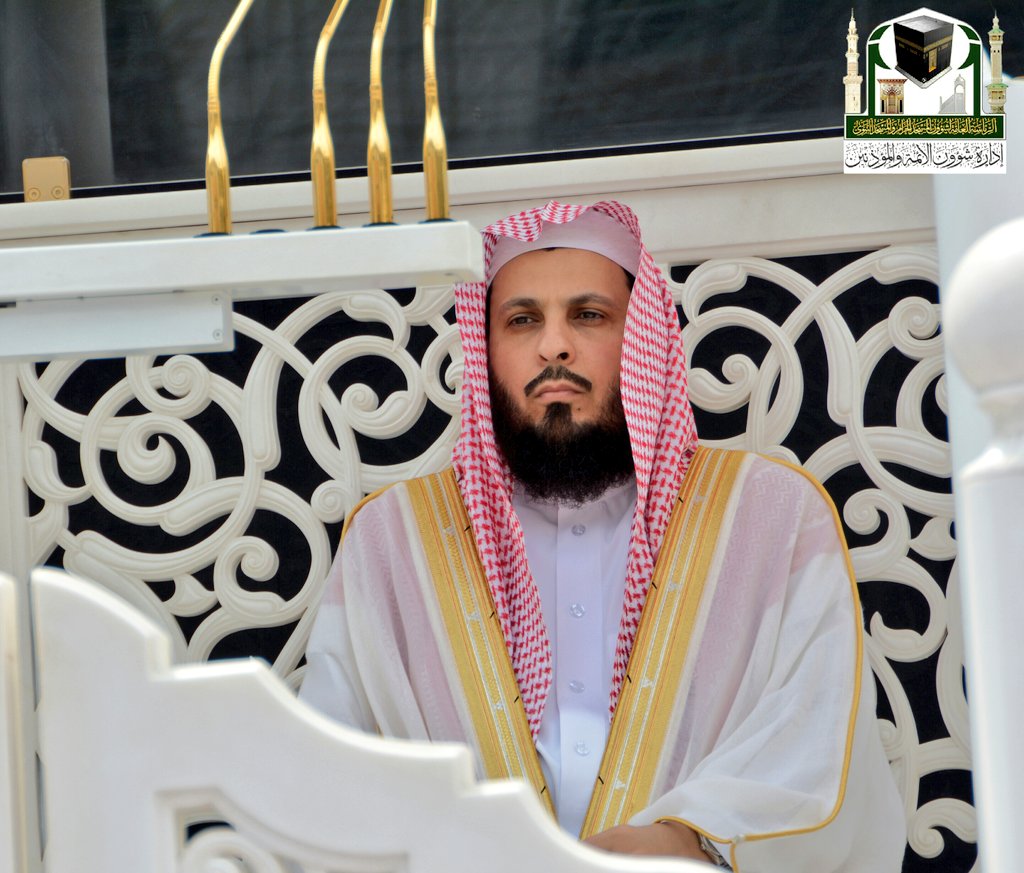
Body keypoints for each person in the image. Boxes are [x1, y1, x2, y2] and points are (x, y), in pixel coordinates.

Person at [299, 200, 907, 870]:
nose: (554, 345)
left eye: (588, 315)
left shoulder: (773, 515)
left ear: (643, 336)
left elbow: (817, 731)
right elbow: (329, 767)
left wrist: (692, 837)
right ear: (485, 348)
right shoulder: (392, 540)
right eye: (522, 319)